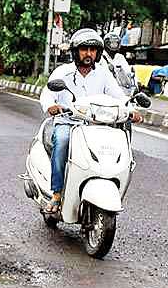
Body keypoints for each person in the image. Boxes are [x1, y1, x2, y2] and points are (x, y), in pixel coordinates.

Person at [42, 29, 139, 214]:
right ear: (75, 51)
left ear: (98, 53)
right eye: (84, 49)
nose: (88, 54)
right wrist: (51, 106)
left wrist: (131, 110)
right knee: (62, 141)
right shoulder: (63, 72)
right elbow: (47, 94)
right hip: (68, 122)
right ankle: (56, 193)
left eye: (92, 50)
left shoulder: (103, 74)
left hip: (96, 126)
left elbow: (119, 97)